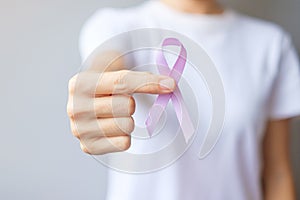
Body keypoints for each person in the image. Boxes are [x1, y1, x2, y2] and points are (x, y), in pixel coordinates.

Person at [67, 0, 300, 199]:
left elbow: (277, 172)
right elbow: (105, 63)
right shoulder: (116, 26)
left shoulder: (271, 45)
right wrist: (95, 90)